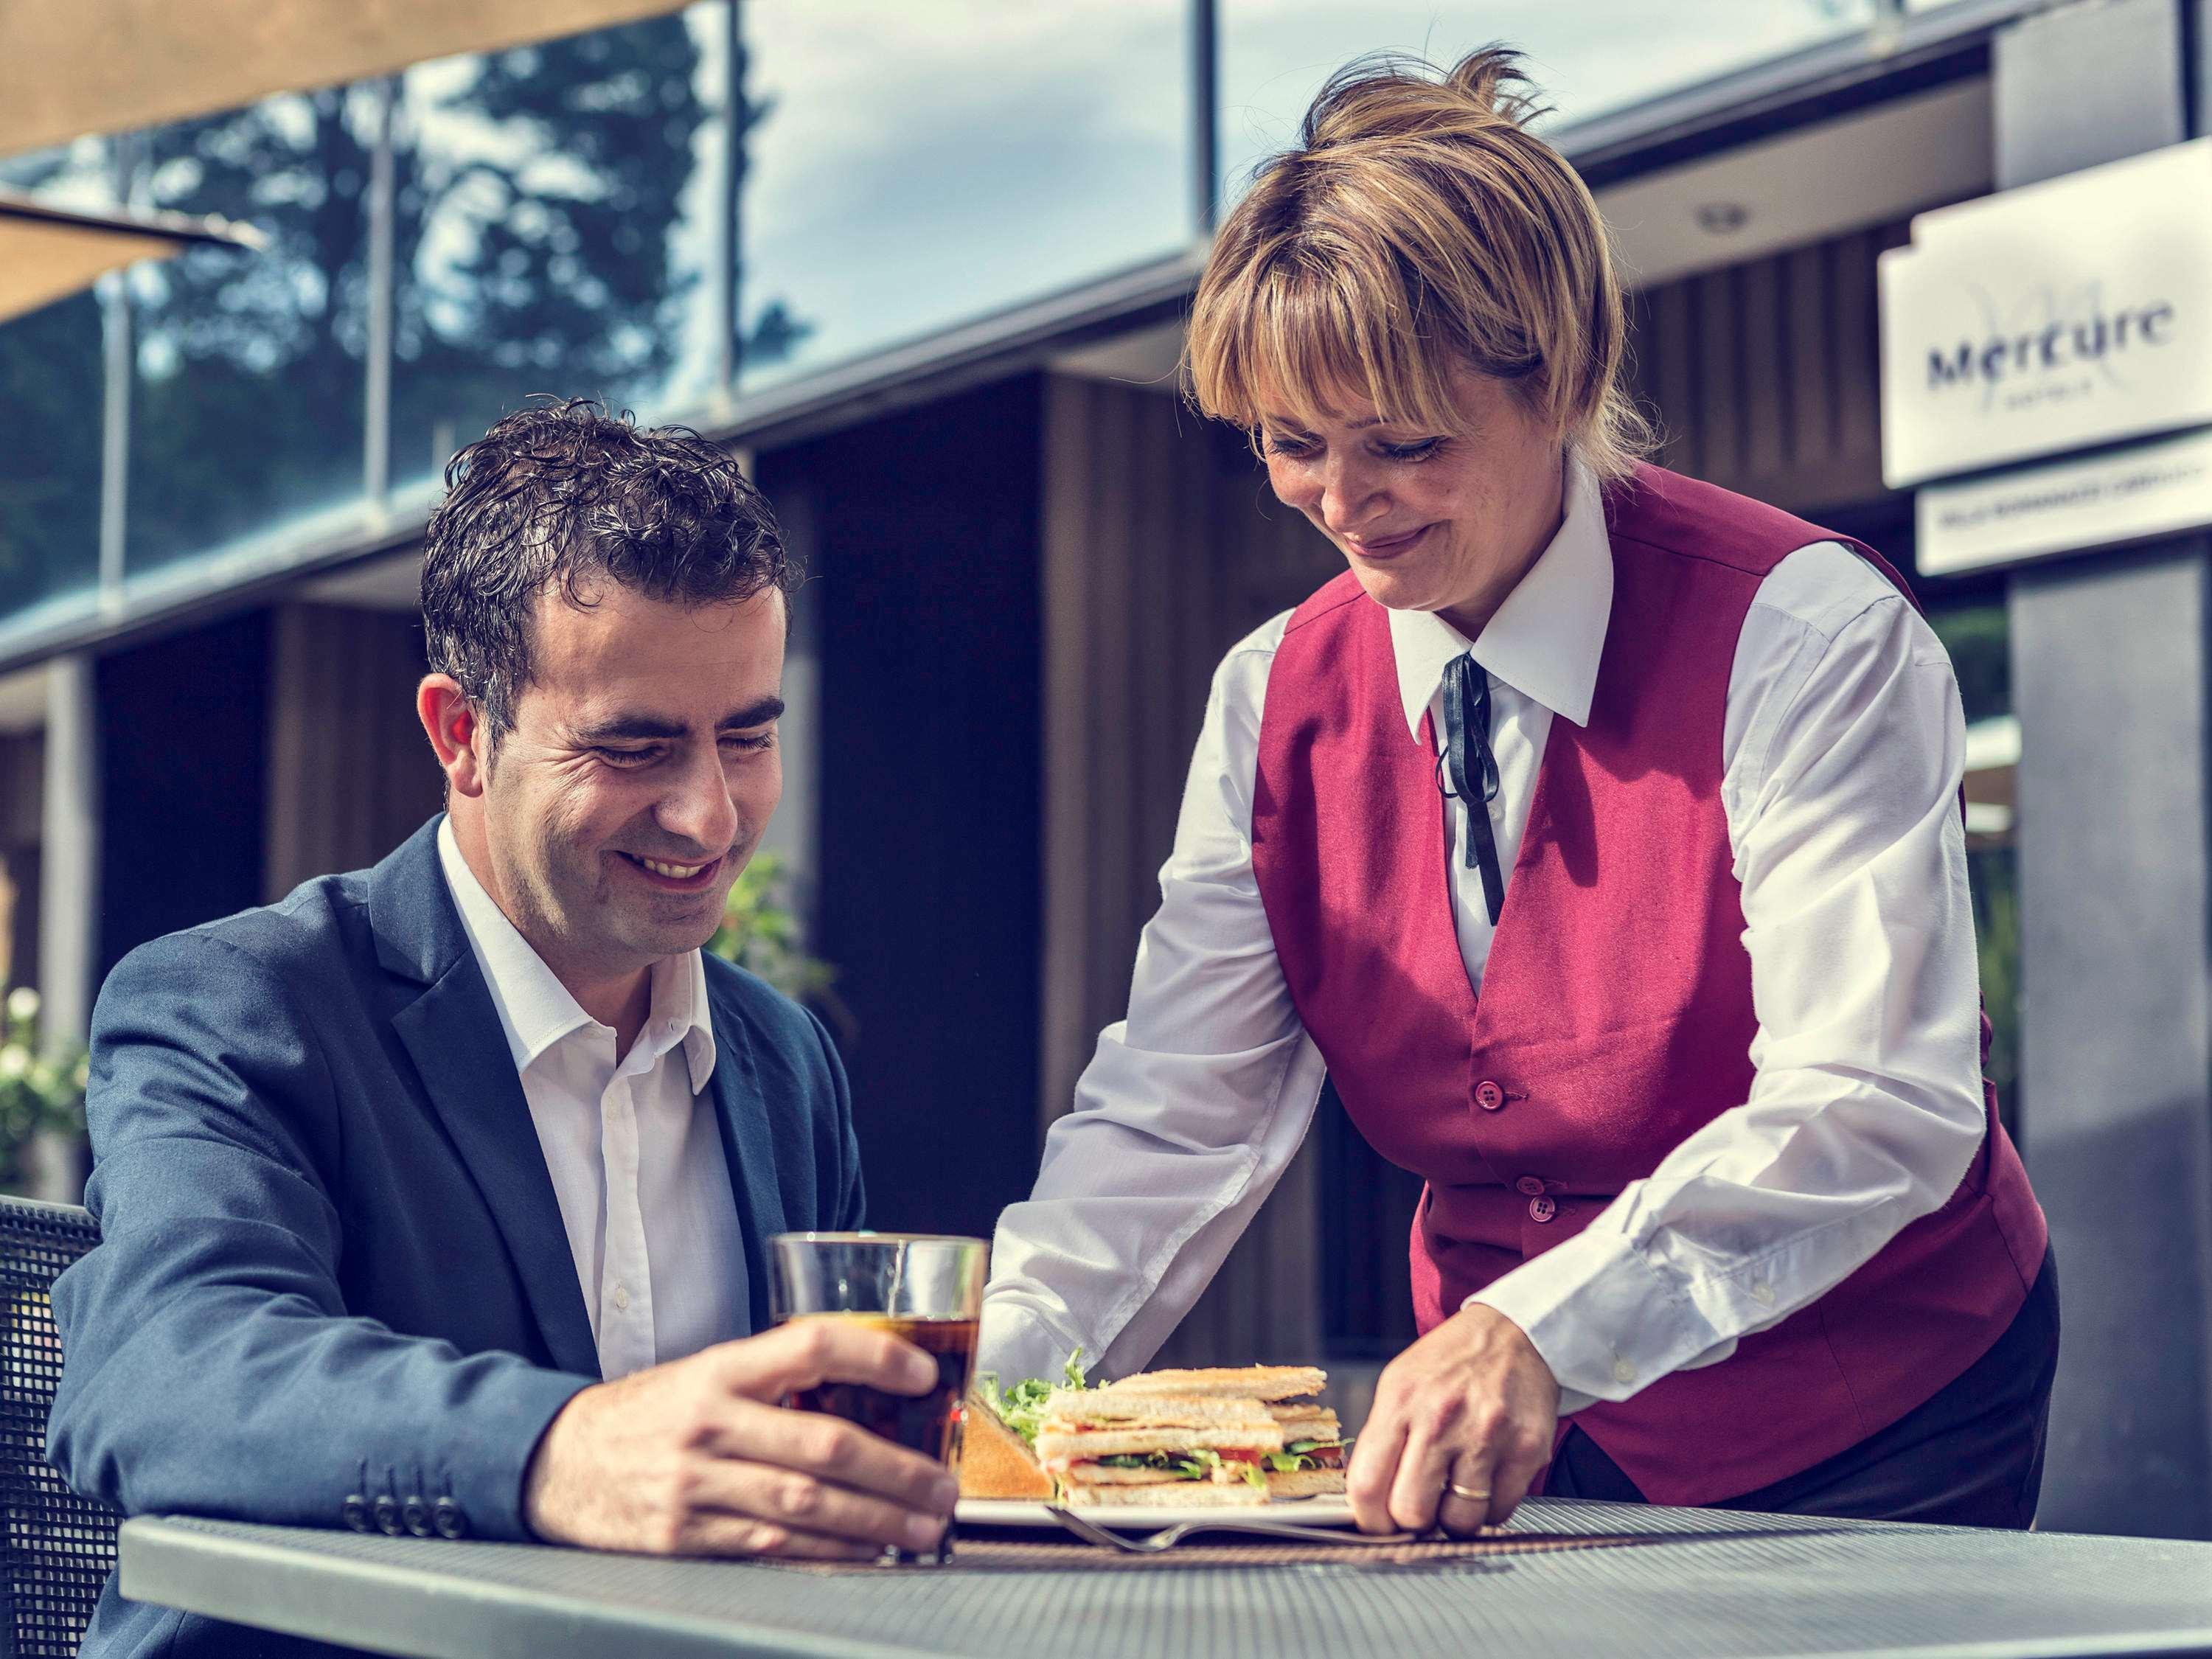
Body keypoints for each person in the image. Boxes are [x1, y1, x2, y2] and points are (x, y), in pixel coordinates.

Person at [980, 50, 2054, 1536]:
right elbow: (1177, 1120)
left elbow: (1877, 1097)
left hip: (1874, 1409)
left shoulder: (1805, 633)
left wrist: (1546, 1331)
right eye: (1295, 446)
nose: (1346, 505)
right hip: (1502, 1429)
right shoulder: (1269, 698)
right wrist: (993, 1400)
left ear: (1560, 383)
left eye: (1406, 444)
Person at [50, 402, 956, 1659]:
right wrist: (567, 1451)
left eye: (747, 735)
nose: (706, 815)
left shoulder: (784, 1061)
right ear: (462, 733)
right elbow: (166, 1375)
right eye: (634, 746)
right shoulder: (238, 1005)